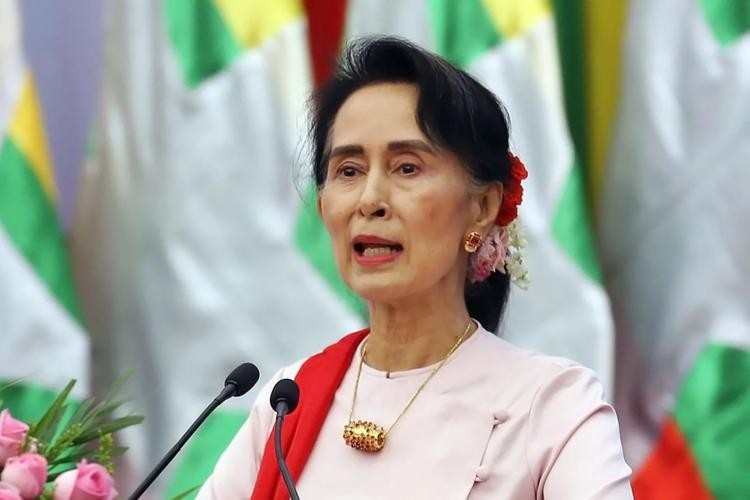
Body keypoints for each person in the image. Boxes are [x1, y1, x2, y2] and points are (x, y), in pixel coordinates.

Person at [197, 37, 632, 499]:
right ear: (323, 207)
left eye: (406, 167)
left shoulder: (552, 408)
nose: (370, 200)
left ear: (482, 206)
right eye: (348, 171)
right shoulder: (287, 404)